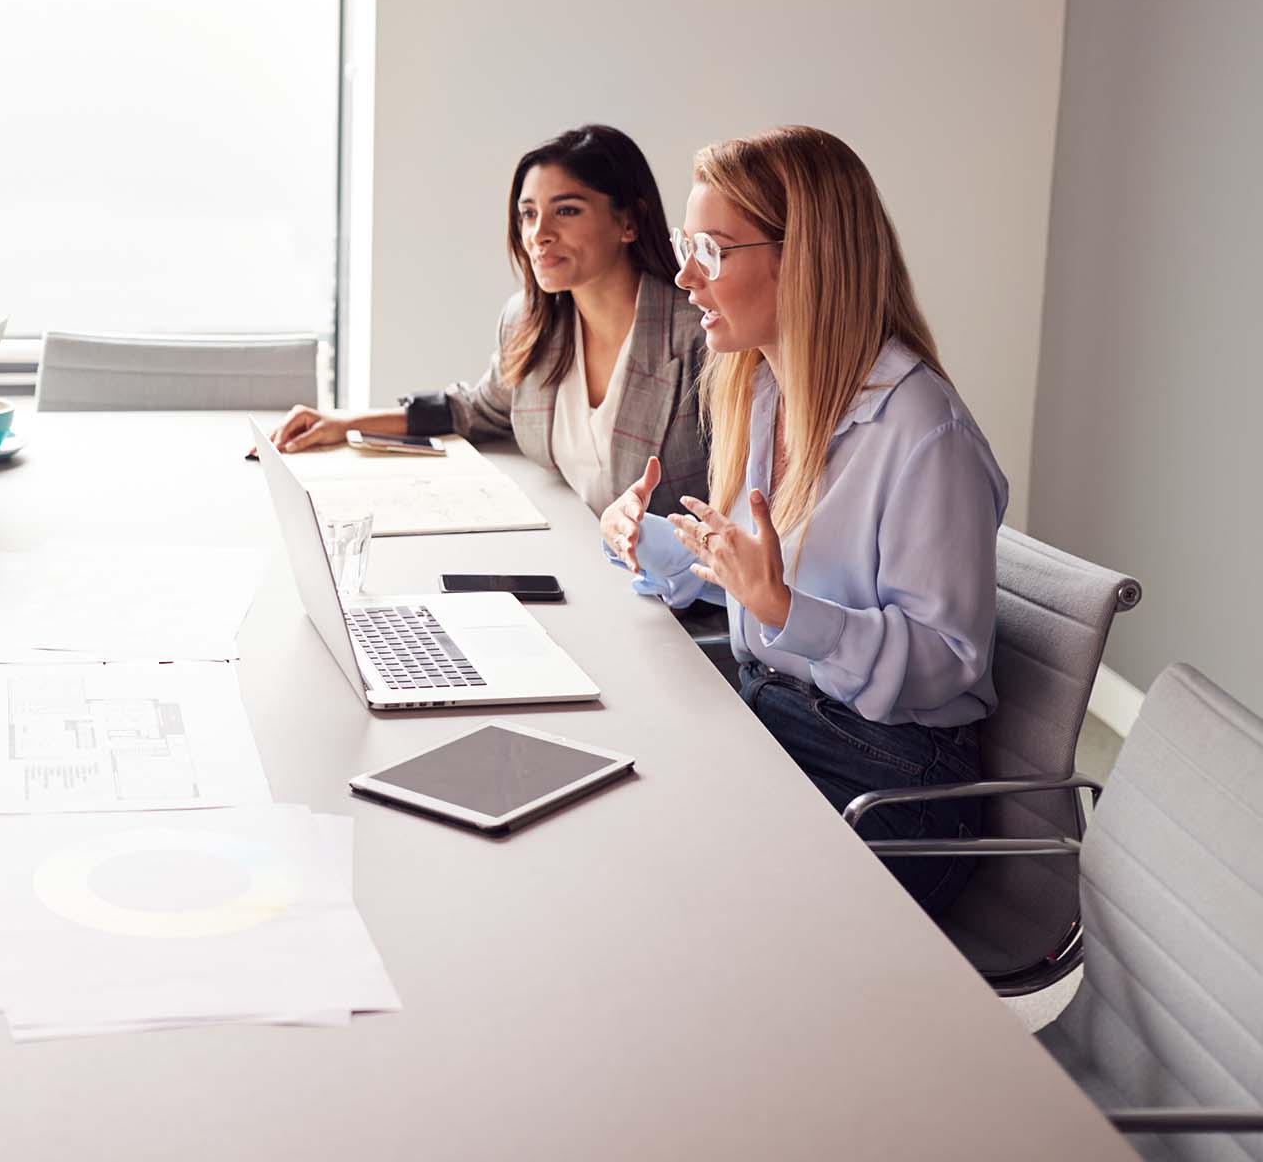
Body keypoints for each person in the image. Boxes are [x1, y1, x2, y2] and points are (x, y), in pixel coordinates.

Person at [622, 125, 1004, 914]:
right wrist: (649, 540)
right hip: (777, 715)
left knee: (684, 898)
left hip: (897, 785)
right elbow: (745, 576)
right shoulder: (759, 390)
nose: (686, 275)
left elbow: (947, 661)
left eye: (713, 250)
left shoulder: (925, 433)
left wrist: (787, 612)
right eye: (684, 243)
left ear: (805, 259)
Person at [272, 124, 709, 541]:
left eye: (567, 211)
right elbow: (473, 409)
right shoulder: (530, 321)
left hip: (682, 604)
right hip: (577, 560)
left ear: (629, 221)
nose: (539, 234)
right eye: (528, 214)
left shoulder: (699, 334)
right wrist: (344, 422)